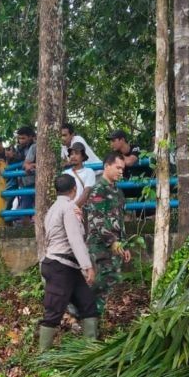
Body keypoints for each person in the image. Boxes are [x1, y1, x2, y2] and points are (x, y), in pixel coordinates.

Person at [38, 175, 98, 349]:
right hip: (61, 266)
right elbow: (75, 239)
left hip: (65, 266)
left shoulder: (53, 209)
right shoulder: (69, 207)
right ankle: (44, 356)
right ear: (74, 189)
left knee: (87, 304)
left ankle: (91, 349)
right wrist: (88, 267)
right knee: (54, 312)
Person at [85, 153, 132, 313]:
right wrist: (112, 241)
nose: (121, 172)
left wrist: (124, 244)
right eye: (118, 167)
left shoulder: (118, 192)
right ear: (107, 166)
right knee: (103, 279)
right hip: (100, 244)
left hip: (115, 245)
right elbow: (97, 220)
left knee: (109, 281)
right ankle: (84, 310)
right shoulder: (98, 190)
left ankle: (92, 316)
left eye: (123, 169)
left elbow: (119, 221)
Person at [106, 129, 149, 200]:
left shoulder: (136, 148)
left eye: (113, 141)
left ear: (122, 140)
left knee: (145, 207)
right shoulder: (116, 153)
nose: (111, 144)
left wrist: (117, 156)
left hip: (144, 185)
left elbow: (130, 162)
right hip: (129, 185)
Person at [63, 142, 96, 208]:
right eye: (71, 154)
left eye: (77, 153)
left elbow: (86, 193)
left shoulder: (89, 172)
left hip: (80, 210)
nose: (73, 156)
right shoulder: (65, 173)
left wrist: (72, 209)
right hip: (66, 210)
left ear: (83, 157)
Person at [17, 126, 37, 213]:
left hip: (35, 181)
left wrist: (31, 165)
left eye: (23, 138)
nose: (21, 140)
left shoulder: (34, 147)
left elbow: (26, 164)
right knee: (24, 210)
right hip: (25, 182)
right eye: (19, 138)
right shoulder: (19, 149)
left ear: (31, 137)